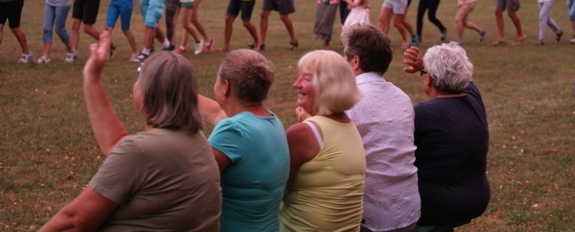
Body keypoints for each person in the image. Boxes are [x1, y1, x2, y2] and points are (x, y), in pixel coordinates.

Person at [39, 32, 222, 231]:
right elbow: (115, 143)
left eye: (139, 78)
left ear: (147, 94)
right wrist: (92, 77)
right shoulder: (196, 140)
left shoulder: (140, 152)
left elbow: (73, 221)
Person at [342, 24, 421, 232]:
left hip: (372, 218)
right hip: (409, 211)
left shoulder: (349, 100)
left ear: (356, 61)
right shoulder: (402, 97)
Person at [403, 43, 490, 232]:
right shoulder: (474, 99)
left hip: (436, 205)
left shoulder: (423, 113)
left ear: (430, 80)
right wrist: (425, 67)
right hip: (477, 198)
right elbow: (466, 76)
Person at [281, 50, 366, 231]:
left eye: (306, 78)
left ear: (328, 86)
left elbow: (274, 193)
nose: (296, 84)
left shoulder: (303, 133)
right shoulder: (350, 126)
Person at [205, 49, 289, 231]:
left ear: (226, 87)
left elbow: (192, 184)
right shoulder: (272, 121)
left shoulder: (233, 131)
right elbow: (214, 112)